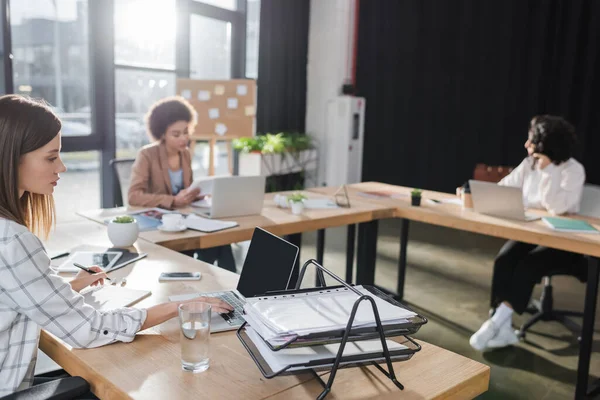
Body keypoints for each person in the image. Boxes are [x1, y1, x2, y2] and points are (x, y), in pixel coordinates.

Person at [0, 95, 233, 395]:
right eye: (50, 157)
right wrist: (177, 307)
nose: (62, 167)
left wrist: (72, 286)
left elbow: (19, 295)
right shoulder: (13, 241)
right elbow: (90, 329)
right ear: (10, 157)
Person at [470, 115, 586, 351]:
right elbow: (504, 188)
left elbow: (557, 208)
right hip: (531, 233)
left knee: (528, 265)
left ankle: (496, 323)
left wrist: (549, 170)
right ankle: (502, 326)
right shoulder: (529, 164)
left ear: (546, 146)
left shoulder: (573, 170)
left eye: (531, 141)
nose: (526, 145)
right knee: (504, 260)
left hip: (564, 243)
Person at [128, 97, 236, 272]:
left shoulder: (185, 154)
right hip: (162, 225)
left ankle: (223, 282)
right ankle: (212, 277)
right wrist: (172, 200)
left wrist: (196, 194)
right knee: (215, 245)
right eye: (176, 134)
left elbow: (187, 188)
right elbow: (133, 195)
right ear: (162, 133)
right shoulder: (147, 155)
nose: (184, 138)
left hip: (185, 219)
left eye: (186, 132)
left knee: (220, 240)